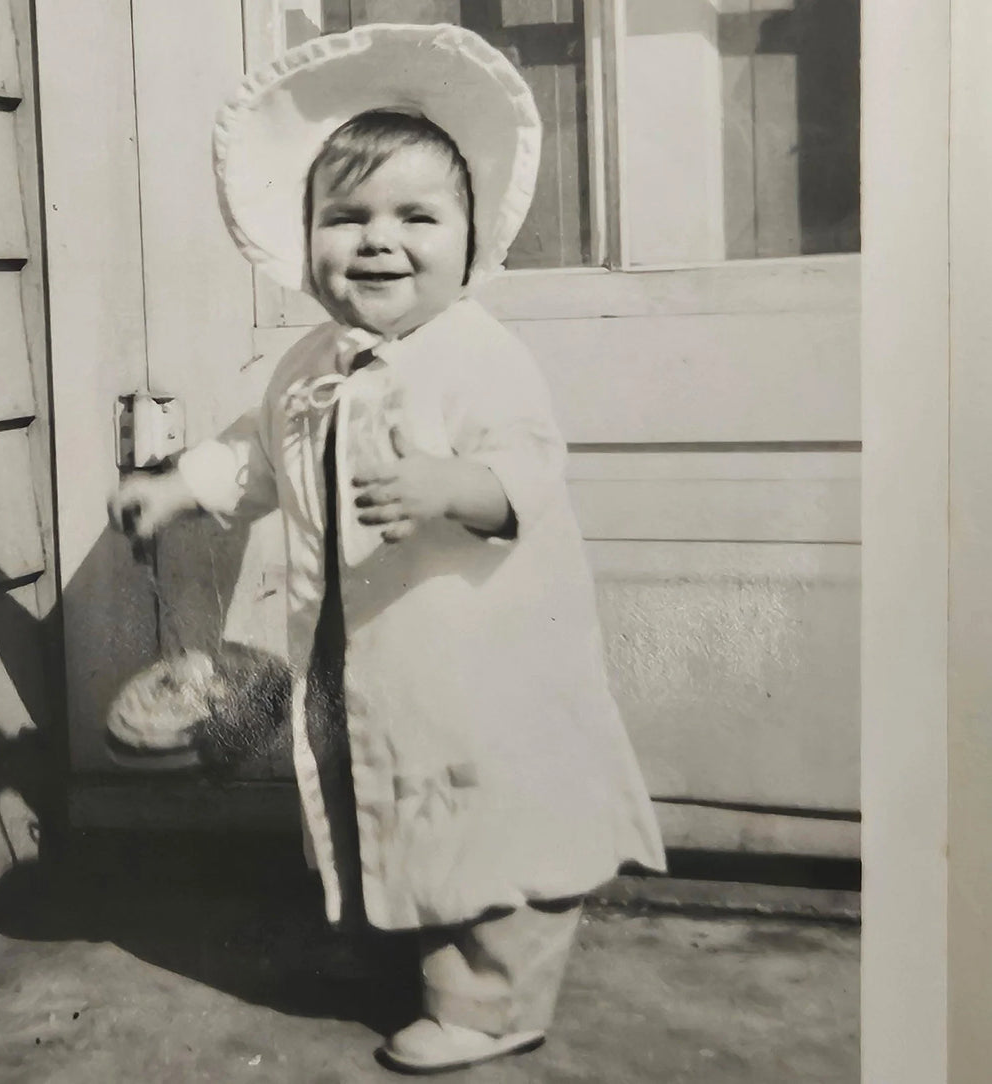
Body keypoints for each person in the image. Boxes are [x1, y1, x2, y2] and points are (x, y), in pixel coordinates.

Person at [109, 23, 666, 1074]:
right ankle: (415, 955)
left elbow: (530, 468)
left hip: (479, 662)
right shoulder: (310, 364)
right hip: (365, 653)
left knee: (485, 819)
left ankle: (493, 998)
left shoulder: (477, 358)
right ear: (303, 237)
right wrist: (177, 488)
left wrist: (454, 486)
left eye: (416, 216)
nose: (377, 241)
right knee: (389, 802)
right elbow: (256, 453)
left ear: (470, 240)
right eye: (346, 217)